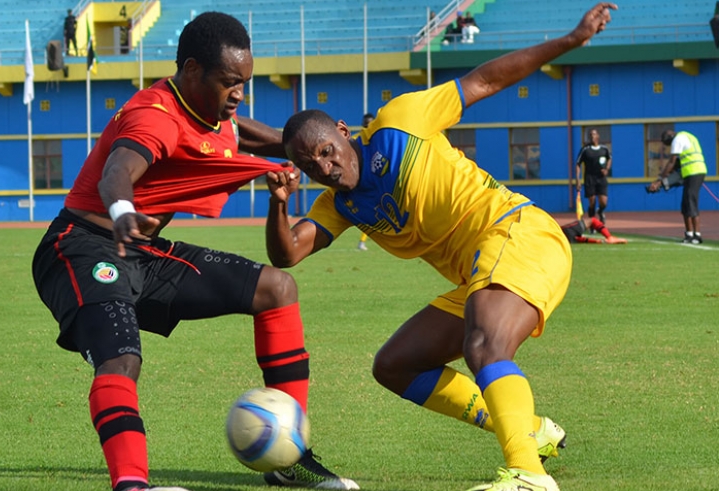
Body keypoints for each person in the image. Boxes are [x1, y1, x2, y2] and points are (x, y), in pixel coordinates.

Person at [264, 4, 617, 491]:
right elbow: (288, 254)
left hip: (516, 233)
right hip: (481, 270)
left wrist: (571, 40)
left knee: (485, 345)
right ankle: (526, 431)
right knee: (396, 365)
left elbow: (485, 81)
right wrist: (278, 205)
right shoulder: (338, 206)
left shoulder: (399, 122)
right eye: (310, 165)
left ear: (345, 133)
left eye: (326, 150)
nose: (324, 167)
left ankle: (528, 476)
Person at [32, 12, 358, 491]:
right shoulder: (155, 118)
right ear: (190, 71)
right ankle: (131, 484)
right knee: (121, 358)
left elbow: (237, 132)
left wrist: (301, 150)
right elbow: (116, 171)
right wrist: (123, 212)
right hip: (82, 247)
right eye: (230, 82)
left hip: (143, 252)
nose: (239, 93)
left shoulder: (210, 109)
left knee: (277, 288)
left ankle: (288, 457)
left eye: (244, 82)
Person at [647, 129, 707, 244]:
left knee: (691, 201)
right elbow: (678, 163)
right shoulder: (689, 136)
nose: (667, 145)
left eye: (666, 142)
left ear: (670, 137)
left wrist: (659, 180)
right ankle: (689, 234)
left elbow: (672, 162)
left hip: (694, 172)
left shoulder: (678, 139)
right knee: (685, 203)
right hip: (692, 172)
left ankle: (697, 235)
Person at [574, 128, 612, 225]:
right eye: (590, 135)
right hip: (590, 178)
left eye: (594, 134)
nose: (592, 136)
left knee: (603, 202)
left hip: (601, 178)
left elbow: (609, 159)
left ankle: (600, 211)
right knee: (592, 202)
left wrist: (607, 169)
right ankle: (592, 223)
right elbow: (578, 164)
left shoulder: (604, 149)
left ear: (598, 136)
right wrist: (578, 180)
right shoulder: (585, 150)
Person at [356, 113, 375, 251]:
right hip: (362, 183)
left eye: (370, 123)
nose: (368, 126)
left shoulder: (379, 139)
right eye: (366, 123)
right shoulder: (356, 140)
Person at [560, 216, 627, 244]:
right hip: (564, 230)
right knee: (592, 220)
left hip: (560, 235)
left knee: (576, 239)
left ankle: (602, 241)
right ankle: (609, 237)